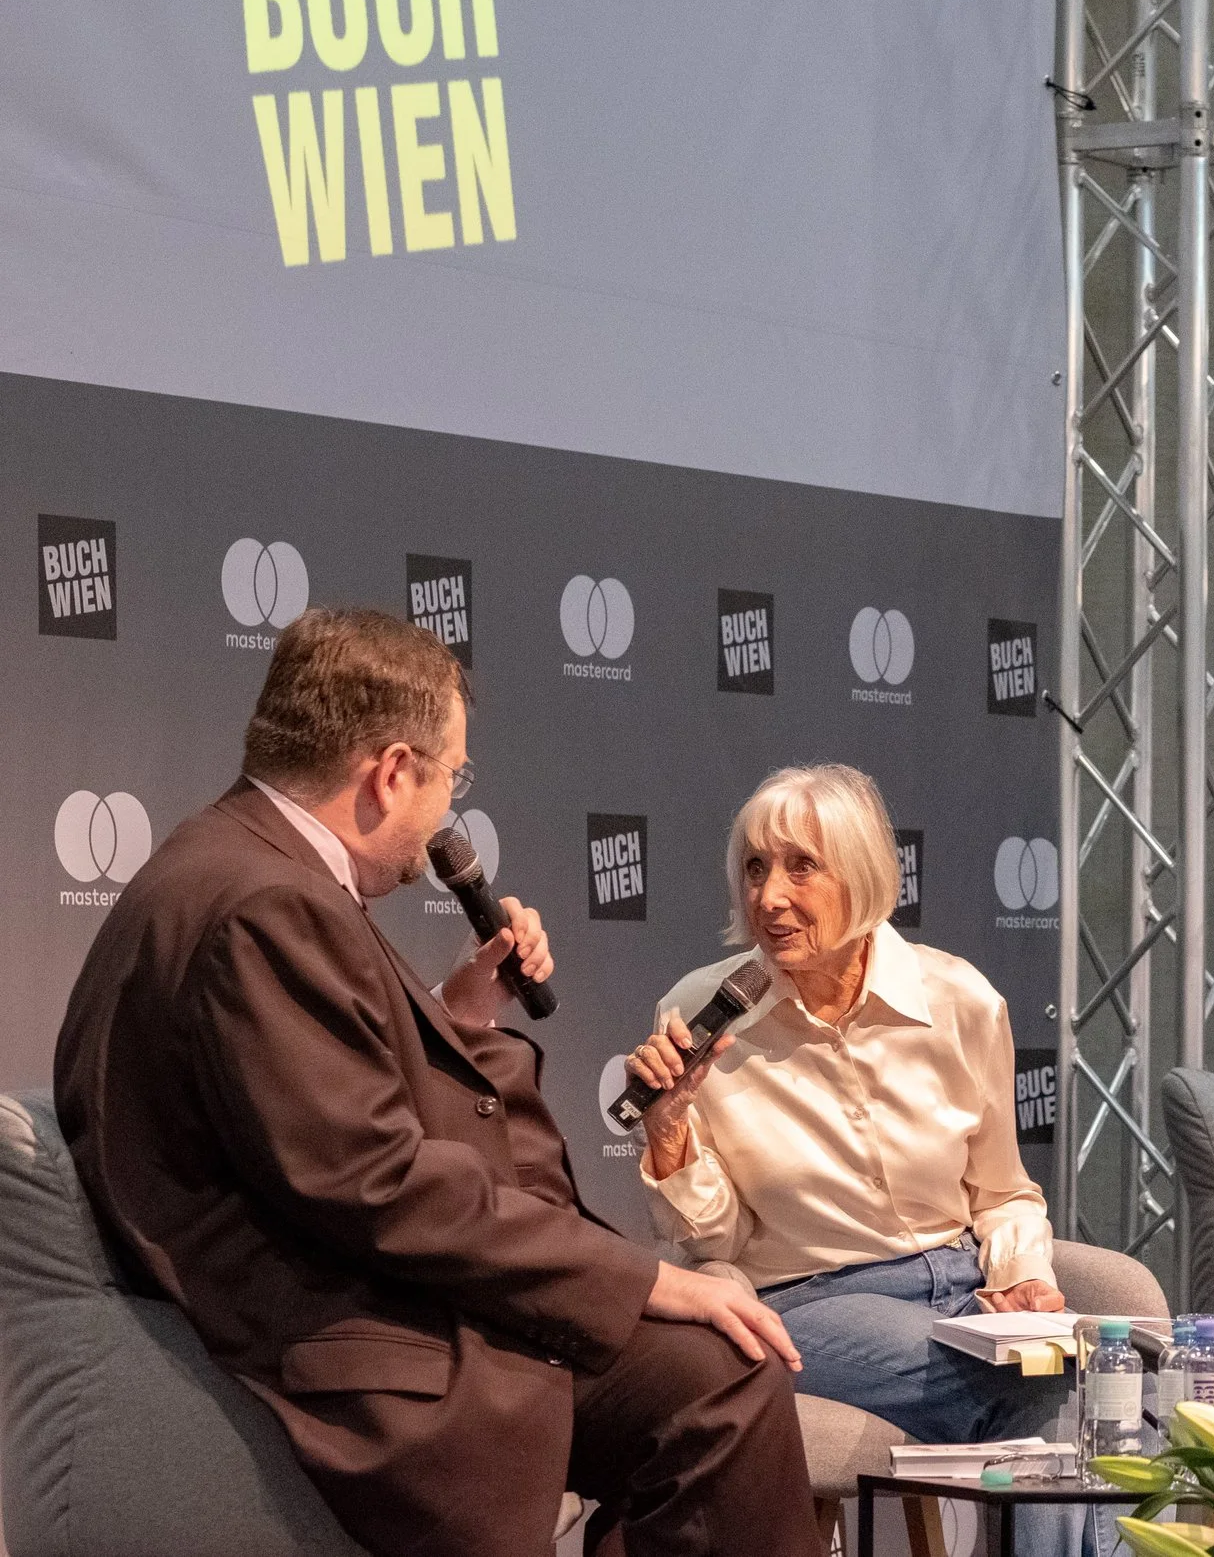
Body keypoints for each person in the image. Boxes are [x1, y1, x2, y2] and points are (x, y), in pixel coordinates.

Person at [52, 608, 821, 1557]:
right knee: (723, 1381)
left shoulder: (236, 863)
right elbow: (380, 1185)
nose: (444, 815)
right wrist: (644, 1278)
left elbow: (320, 1122)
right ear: (389, 772)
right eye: (450, 777)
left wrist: (461, 1017)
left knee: (706, 1371)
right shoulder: (266, 903)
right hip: (355, 1338)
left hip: (364, 1286)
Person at [628, 763, 1068, 1451]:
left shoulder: (961, 1001)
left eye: (801, 867)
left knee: (1097, 1401)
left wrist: (1024, 1277)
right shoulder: (700, 1015)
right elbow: (713, 1243)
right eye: (754, 868)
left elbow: (1004, 1192)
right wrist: (668, 1129)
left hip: (961, 1286)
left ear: (860, 875)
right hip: (811, 1304)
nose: (768, 896)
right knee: (1064, 1389)